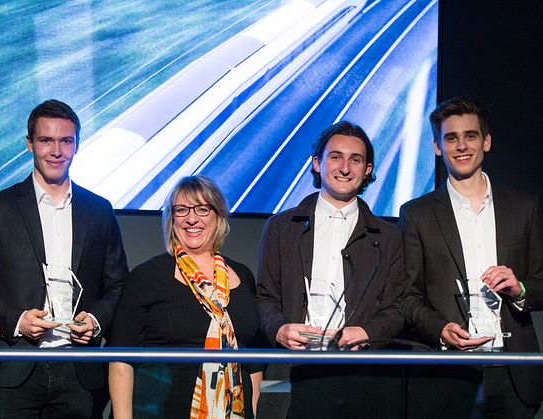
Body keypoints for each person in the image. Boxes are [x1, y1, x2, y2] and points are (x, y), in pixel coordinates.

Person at [0, 99, 129, 418]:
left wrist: (95, 320)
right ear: (29, 144)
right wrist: (15, 319)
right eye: (46, 140)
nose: (56, 150)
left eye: (65, 141)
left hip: (80, 373)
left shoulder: (99, 211)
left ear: (76, 145)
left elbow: (118, 286)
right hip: (12, 369)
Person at [400, 97, 542, 418]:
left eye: (471, 136)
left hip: (514, 372)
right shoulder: (416, 214)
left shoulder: (523, 206)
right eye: (451, 138)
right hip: (448, 369)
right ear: (438, 147)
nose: (462, 146)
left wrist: (519, 289)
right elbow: (407, 297)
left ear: (486, 141)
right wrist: (440, 329)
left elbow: (541, 284)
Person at [256, 121, 405, 417]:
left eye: (356, 159)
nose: (345, 168)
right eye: (336, 157)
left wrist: (365, 331)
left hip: (364, 379)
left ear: (367, 170)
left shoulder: (388, 236)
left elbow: (398, 307)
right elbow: (266, 298)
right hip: (295, 373)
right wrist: (280, 330)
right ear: (316, 164)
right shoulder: (282, 227)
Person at [109, 175, 263, 419]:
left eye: (202, 209)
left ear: (218, 215)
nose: (192, 219)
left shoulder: (243, 276)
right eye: (181, 210)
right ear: (171, 220)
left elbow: (253, 359)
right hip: (162, 410)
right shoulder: (146, 276)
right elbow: (120, 361)